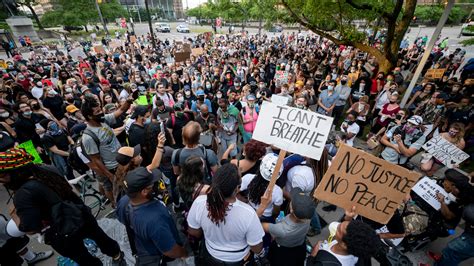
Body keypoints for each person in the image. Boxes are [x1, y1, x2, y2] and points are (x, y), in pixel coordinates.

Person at [0, 148, 126, 265]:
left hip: (61, 232)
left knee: (83, 258)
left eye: (1, 175)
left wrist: (14, 216)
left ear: (12, 173)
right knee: (101, 237)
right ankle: (117, 255)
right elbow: (69, 188)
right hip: (80, 213)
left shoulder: (23, 195)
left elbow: (30, 227)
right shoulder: (46, 169)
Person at [186, 163, 266, 265]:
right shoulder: (249, 213)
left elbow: (193, 231)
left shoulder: (199, 202)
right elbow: (256, 247)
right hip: (236, 260)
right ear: (237, 189)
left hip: (210, 254)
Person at [116, 167, 187, 264]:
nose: (157, 185)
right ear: (144, 191)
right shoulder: (155, 220)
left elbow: (123, 220)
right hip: (158, 254)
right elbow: (171, 251)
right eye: (153, 184)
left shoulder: (123, 202)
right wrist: (184, 253)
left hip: (142, 246)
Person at [80, 95, 132, 208]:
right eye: (98, 111)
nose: (101, 112)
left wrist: (129, 100)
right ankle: (120, 208)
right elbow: (96, 160)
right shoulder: (88, 137)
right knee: (121, 193)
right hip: (113, 168)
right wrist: (110, 176)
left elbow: (121, 110)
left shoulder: (103, 120)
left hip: (122, 160)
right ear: (89, 116)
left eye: (100, 109)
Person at [265, 188, 316, 266]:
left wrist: (262, 206)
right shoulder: (308, 217)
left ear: (291, 209)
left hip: (282, 253)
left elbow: (262, 226)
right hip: (299, 247)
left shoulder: (282, 229)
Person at [306, 220, 379, 266]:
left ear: (344, 245)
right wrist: (348, 217)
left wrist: (312, 256)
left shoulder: (325, 263)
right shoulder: (360, 250)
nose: (336, 225)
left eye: (338, 229)